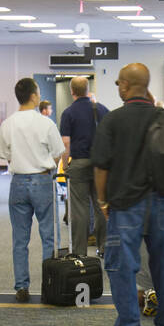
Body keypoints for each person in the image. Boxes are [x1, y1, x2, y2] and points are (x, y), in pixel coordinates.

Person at [92, 63, 164, 326]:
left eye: (119, 83)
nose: (117, 87)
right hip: (162, 203)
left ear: (126, 87)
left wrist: (103, 201)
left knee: (123, 268)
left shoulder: (112, 121)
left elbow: (101, 166)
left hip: (124, 204)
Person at [1, 77, 65, 302]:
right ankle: (49, 286)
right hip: (42, 180)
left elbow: (6, 155)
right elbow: (59, 152)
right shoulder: (46, 123)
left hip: (17, 182)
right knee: (49, 236)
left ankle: (21, 287)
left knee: (20, 239)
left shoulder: (7, 123)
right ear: (34, 96)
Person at [59, 75, 110, 259]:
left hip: (79, 163)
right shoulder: (103, 110)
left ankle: (79, 252)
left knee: (79, 210)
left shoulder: (68, 113)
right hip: (100, 165)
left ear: (71, 91)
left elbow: (66, 144)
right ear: (88, 89)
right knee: (101, 206)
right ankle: (104, 248)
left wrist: (65, 166)